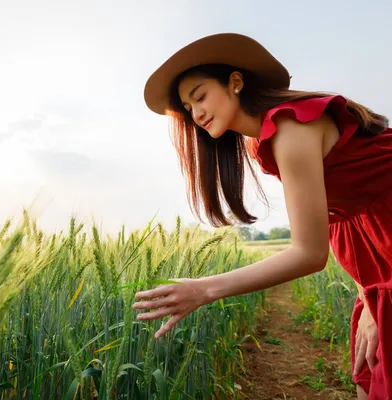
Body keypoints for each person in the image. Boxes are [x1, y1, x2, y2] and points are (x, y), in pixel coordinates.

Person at [132, 32, 392, 399]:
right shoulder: (264, 144)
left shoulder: (291, 129)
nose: (197, 113)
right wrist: (369, 297)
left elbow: (309, 253)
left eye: (200, 95)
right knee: (370, 378)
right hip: (377, 262)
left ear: (235, 82)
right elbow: (347, 222)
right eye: (188, 108)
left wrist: (202, 290)